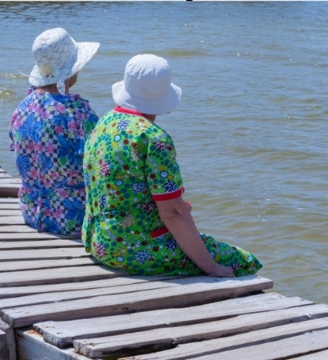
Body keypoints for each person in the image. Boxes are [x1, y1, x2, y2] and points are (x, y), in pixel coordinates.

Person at [82, 53, 263, 277]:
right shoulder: (153, 138)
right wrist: (212, 267)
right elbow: (172, 214)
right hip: (133, 250)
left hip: (98, 242)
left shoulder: (103, 123)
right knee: (243, 260)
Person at [9, 28, 100, 237]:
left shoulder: (23, 107)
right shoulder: (78, 112)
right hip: (73, 218)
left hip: (32, 212)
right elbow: (100, 162)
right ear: (71, 71)